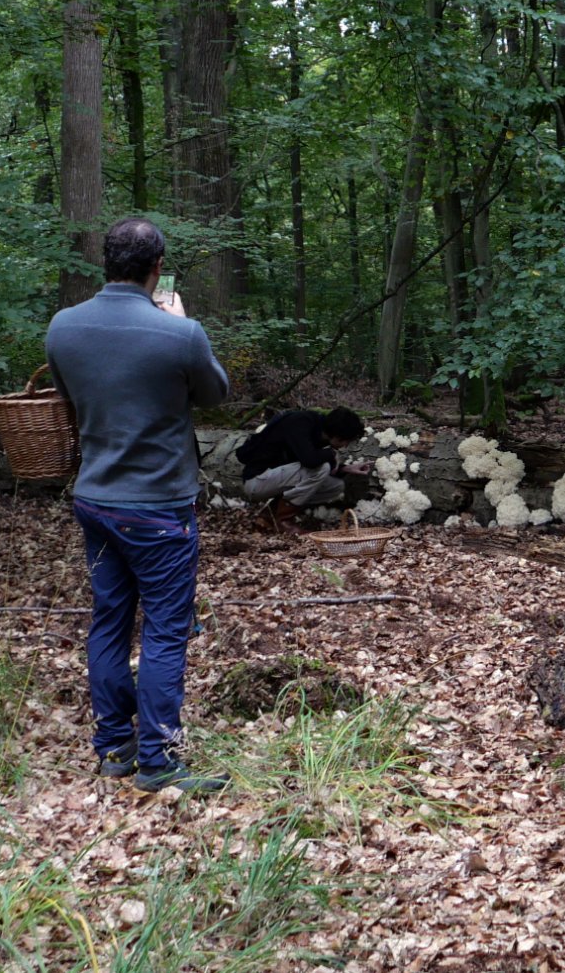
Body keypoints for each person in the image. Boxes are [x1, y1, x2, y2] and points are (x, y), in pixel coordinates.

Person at [46, 219, 231, 794]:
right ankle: (157, 758)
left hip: (96, 501)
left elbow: (67, 397)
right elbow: (217, 395)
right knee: (166, 630)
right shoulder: (181, 333)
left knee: (109, 620)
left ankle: (114, 746)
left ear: (105, 262)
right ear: (158, 267)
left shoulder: (63, 326)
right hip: (158, 510)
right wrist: (179, 323)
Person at [236, 407, 369, 524]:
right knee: (322, 469)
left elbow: (307, 463)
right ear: (338, 435)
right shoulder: (300, 423)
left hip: (275, 477)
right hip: (257, 480)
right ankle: (283, 521)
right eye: (346, 441)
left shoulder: (320, 431)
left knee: (335, 486)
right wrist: (331, 453)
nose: (345, 445)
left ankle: (270, 514)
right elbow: (309, 461)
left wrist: (345, 468)